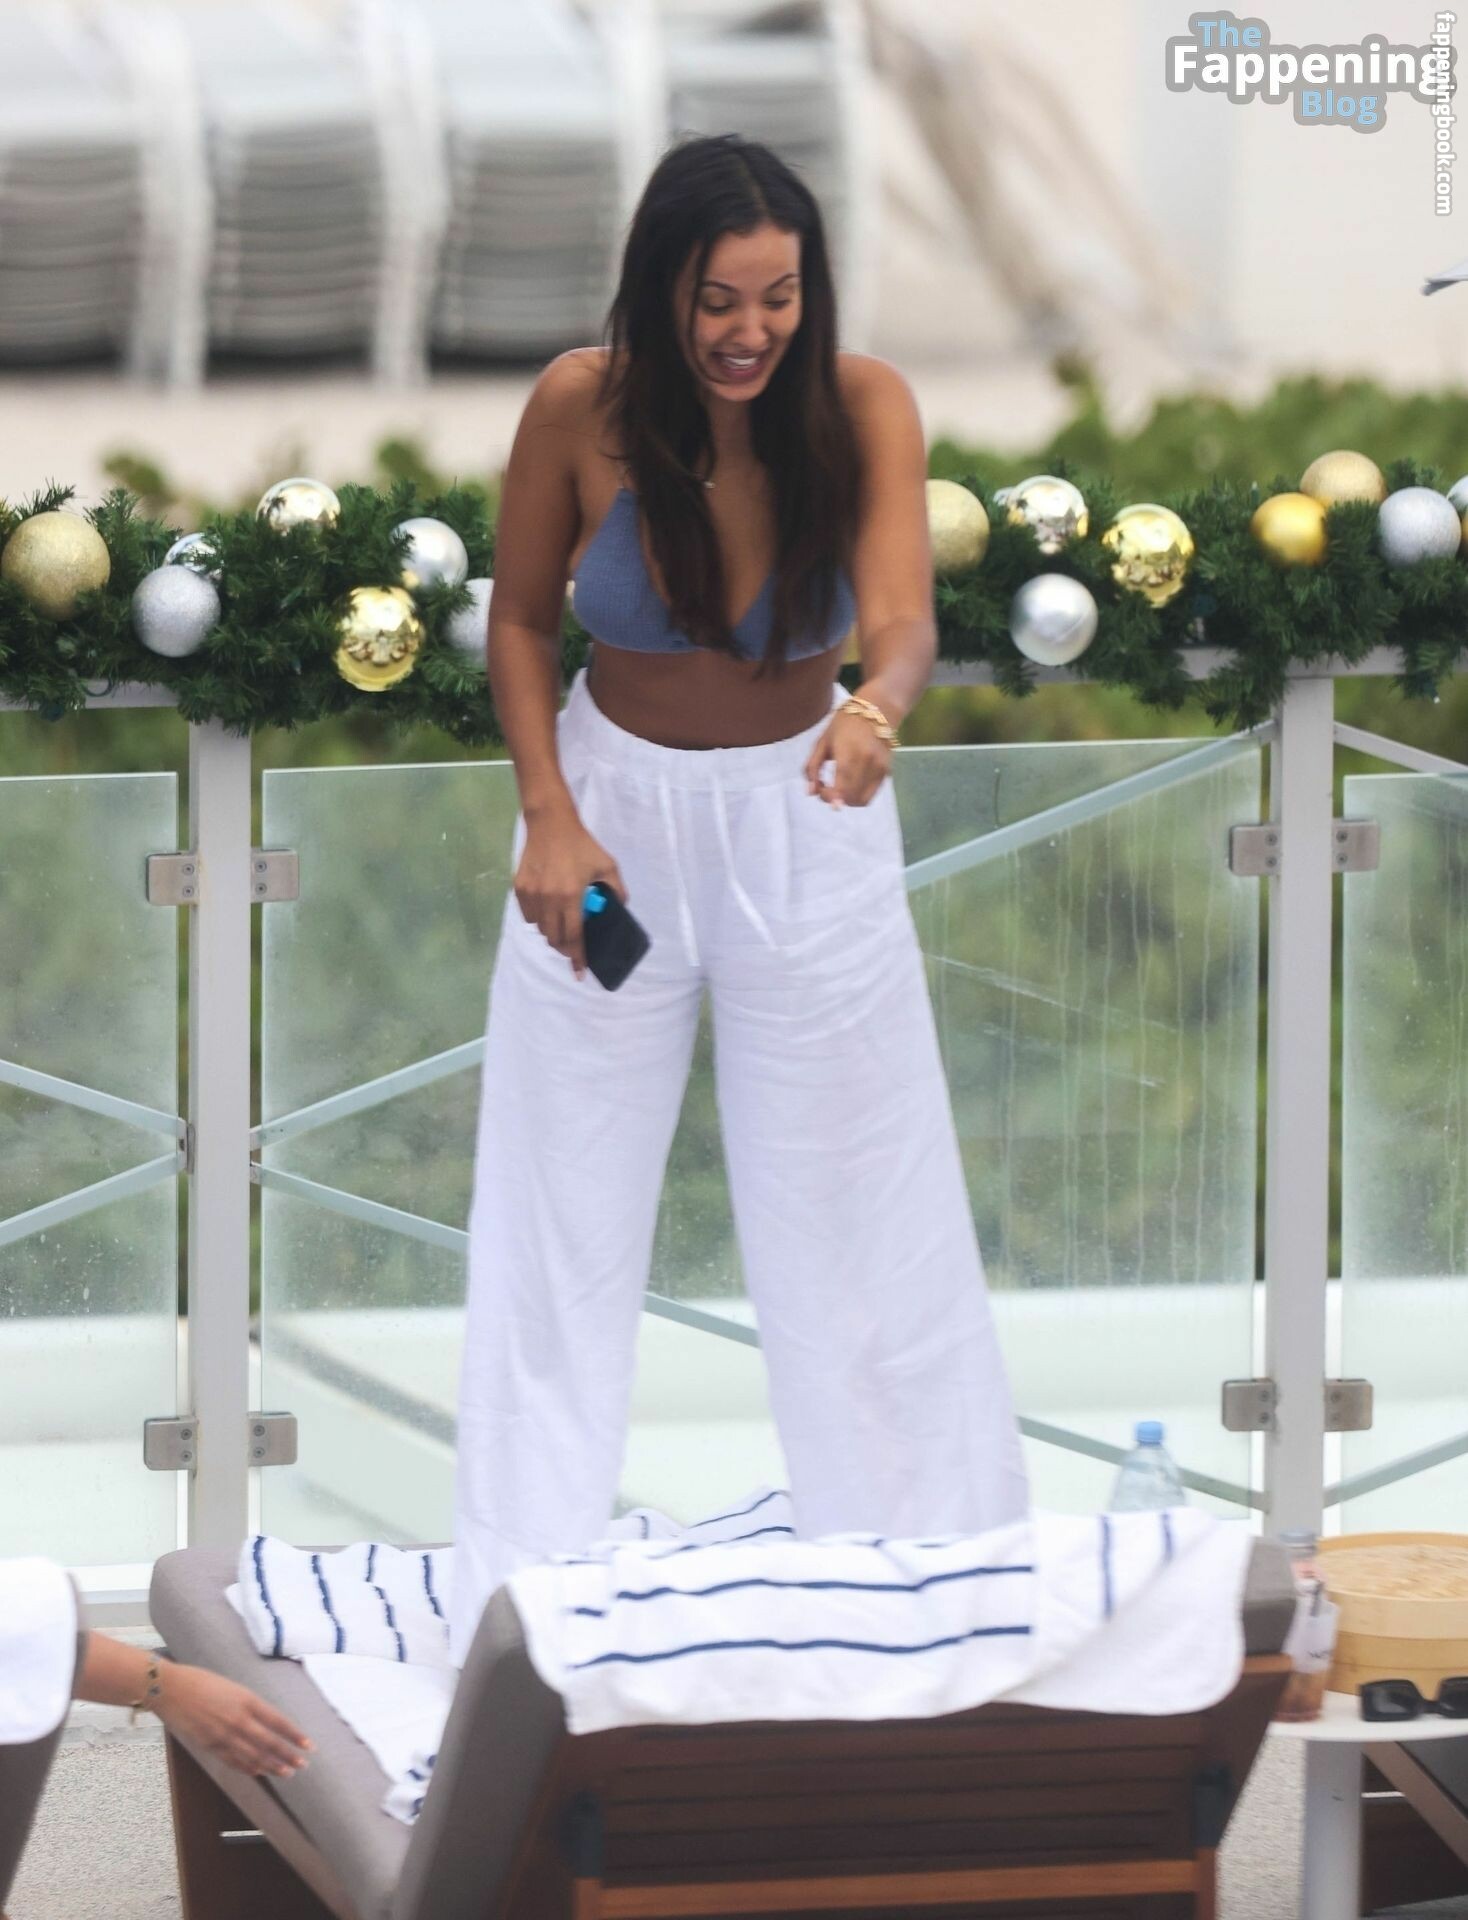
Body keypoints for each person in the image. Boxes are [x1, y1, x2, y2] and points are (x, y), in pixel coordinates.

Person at [448, 133, 1028, 1664]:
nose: (750, 329)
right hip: (610, 829)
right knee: (559, 1211)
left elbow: (901, 621)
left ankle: (918, 1598)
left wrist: (876, 711)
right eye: (719, 299)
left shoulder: (864, 405)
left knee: (862, 1211)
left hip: (808, 823)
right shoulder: (579, 406)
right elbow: (521, 622)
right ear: (663, 286)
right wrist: (550, 815)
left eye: (778, 296)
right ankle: (521, 1611)